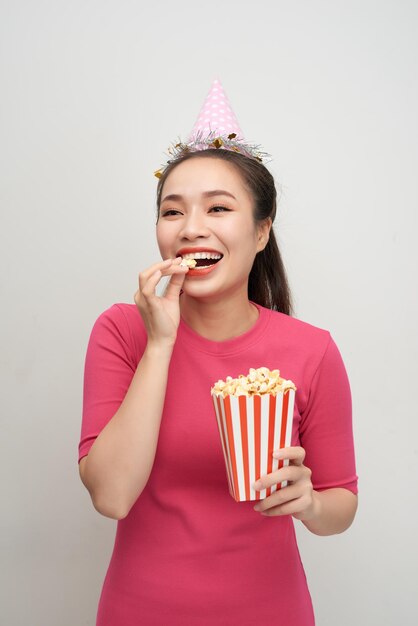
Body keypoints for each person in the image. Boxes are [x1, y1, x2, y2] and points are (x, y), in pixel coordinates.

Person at [78, 80, 358, 626]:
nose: (193, 229)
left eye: (219, 208)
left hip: (271, 612)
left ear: (261, 231)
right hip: (140, 611)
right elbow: (111, 495)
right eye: (173, 212)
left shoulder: (312, 351)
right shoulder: (121, 331)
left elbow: (340, 505)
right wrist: (160, 342)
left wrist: (310, 502)